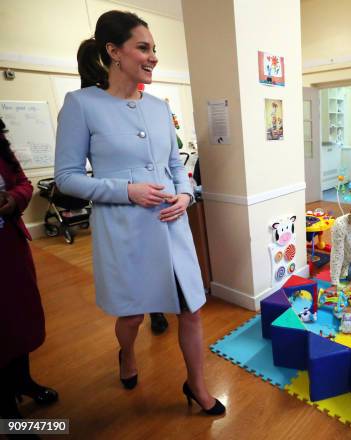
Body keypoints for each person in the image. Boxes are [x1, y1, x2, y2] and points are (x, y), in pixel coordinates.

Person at [54, 11, 224, 415]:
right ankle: (126, 355)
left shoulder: (158, 107)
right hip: (124, 230)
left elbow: (174, 165)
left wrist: (186, 194)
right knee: (131, 317)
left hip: (171, 224)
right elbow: (66, 178)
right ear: (114, 51)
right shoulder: (81, 105)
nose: (152, 57)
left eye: (154, 49)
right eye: (143, 48)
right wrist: (125, 190)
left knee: (191, 311)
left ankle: (196, 386)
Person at [0, 118, 59, 419]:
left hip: (10, 249)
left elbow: (23, 183)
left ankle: (22, 381)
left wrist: (12, 199)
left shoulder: (1, 147)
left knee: (20, 320)